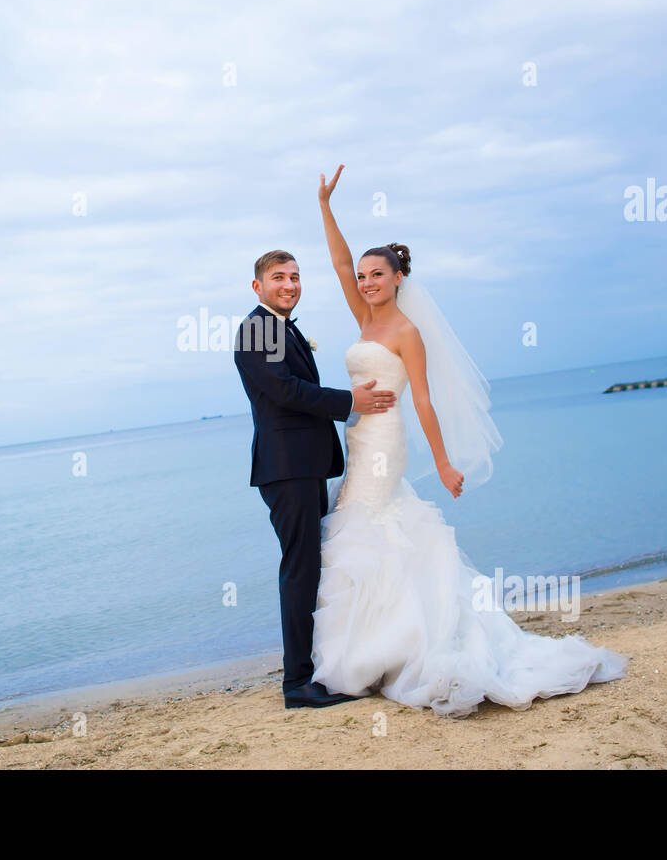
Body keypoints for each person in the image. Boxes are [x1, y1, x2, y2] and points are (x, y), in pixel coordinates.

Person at [308, 164, 628, 717]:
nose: (365, 282)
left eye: (376, 275)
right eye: (362, 276)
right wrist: (325, 206)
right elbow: (336, 263)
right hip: (358, 438)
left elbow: (425, 401)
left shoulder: (406, 332)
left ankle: (380, 651)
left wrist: (445, 462)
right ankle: (375, 647)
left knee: (367, 526)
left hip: (386, 443)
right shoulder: (363, 318)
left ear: (398, 278)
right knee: (362, 530)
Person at [233, 249, 394, 709]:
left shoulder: (282, 327)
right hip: (287, 468)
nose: (289, 285)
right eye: (279, 278)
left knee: (310, 567)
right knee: (300, 570)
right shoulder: (258, 328)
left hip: (300, 465)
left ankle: (315, 668)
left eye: (295, 277)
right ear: (257, 287)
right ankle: (297, 683)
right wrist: (349, 402)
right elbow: (285, 391)